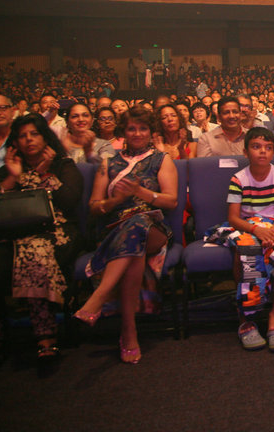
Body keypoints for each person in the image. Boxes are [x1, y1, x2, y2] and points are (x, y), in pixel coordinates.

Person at [73, 106, 178, 364]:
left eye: (143, 128)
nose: (137, 133)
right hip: (115, 230)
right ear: (124, 132)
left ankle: (99, 297)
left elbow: (172, 201)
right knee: (134, 240)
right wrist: (115, 200)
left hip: (154, 228)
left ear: (151, 132)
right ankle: (128, 331)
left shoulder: (161, 159)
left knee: (139, 222)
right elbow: (95, 206)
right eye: (132, 128)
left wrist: (142, 194)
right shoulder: (109, 163)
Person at [0, 114, 82, 370]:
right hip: (9, 238)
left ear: (45, 137)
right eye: (23, 136)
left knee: (33, 251)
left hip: (55, 233)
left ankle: (46, 338)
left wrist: (43, 173)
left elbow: (69, 203)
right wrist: (13, 177)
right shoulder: (6, 170)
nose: (28, 140)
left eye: (34, 134)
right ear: (15, 141)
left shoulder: (62, 166)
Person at [227, 128, 274, 352]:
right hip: (248, 225)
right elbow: (234, 218)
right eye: (256, 147)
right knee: (245, 249)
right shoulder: (238, 178)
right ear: (246, 151)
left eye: (268, 148)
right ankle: (246, 318)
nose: (262, 152)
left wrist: (272, 232)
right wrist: (257, 230)